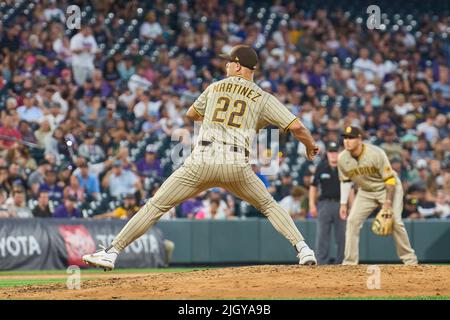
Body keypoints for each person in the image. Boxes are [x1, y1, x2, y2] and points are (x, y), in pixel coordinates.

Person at [83, 44, 320, 270]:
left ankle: (111, 252)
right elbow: (297, 127)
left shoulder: (215, 87)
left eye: (229, 62)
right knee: (268, 205)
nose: (226, 66)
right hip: (236, 163)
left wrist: (216, 120)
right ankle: (304, 249)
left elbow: (192, 113)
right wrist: (310, 146)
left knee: (156, 205)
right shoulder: (263, 97)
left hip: (203, 158)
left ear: (238, 66)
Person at [337, 126, 418, 265]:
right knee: (352, 221)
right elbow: (345, 181)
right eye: (345, 138)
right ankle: (349, 262)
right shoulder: (342, 158)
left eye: (351, 138)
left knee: (396, 221)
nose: (347, 141)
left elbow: (390, 179)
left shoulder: (375, 153)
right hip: (365, 191)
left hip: (387, 188)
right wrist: (343, 203)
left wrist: (387, 202)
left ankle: (410, 260)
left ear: (360, 139)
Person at [309, 141, 346, 265]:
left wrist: (350, 206)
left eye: (335, 152)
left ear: (339, 153)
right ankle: (321, 262)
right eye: (331, 152)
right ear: (328, 153)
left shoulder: (344, 166)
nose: (333, 154)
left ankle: (342, 262)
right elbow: (313, 186)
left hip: (341, 204)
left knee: (342, 236)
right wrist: (312, 205)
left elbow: (350, 187)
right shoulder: (321, 167)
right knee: (322, 235)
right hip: (324, 204)